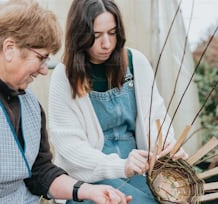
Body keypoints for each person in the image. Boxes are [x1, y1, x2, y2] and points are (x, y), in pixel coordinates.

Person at [0, 1, 132, 204]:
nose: (45, 70)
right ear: (10, 48)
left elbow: (40, 172)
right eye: (41, 57)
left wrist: (88, 191)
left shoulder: (29, 104)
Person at [48, 0, 189, 203]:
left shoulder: (136, 63)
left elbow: (156, 116)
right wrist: (121, 166)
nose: (106, 44)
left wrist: (165, 146)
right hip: (90, 175)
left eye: (112, 33)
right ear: (79, 35)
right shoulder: (64, 76)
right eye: (96, 36)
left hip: (139, 168)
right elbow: (69, 147)